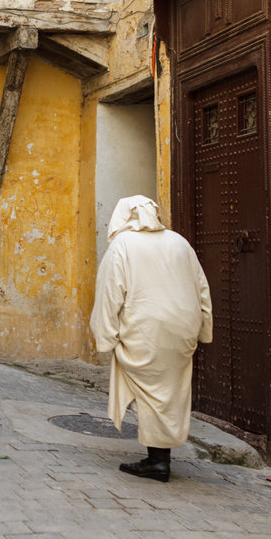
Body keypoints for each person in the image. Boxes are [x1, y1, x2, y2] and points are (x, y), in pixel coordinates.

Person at [89, 195, 213, 482]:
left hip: (145, 328)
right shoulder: (180, 242)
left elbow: (109, 293)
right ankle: (160, 456)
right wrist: (204, 328)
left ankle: (158, 462)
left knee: (148, 391)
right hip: (182, 329)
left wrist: (105, 337)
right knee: (169, 390)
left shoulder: (122, 245)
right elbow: (202, 288)